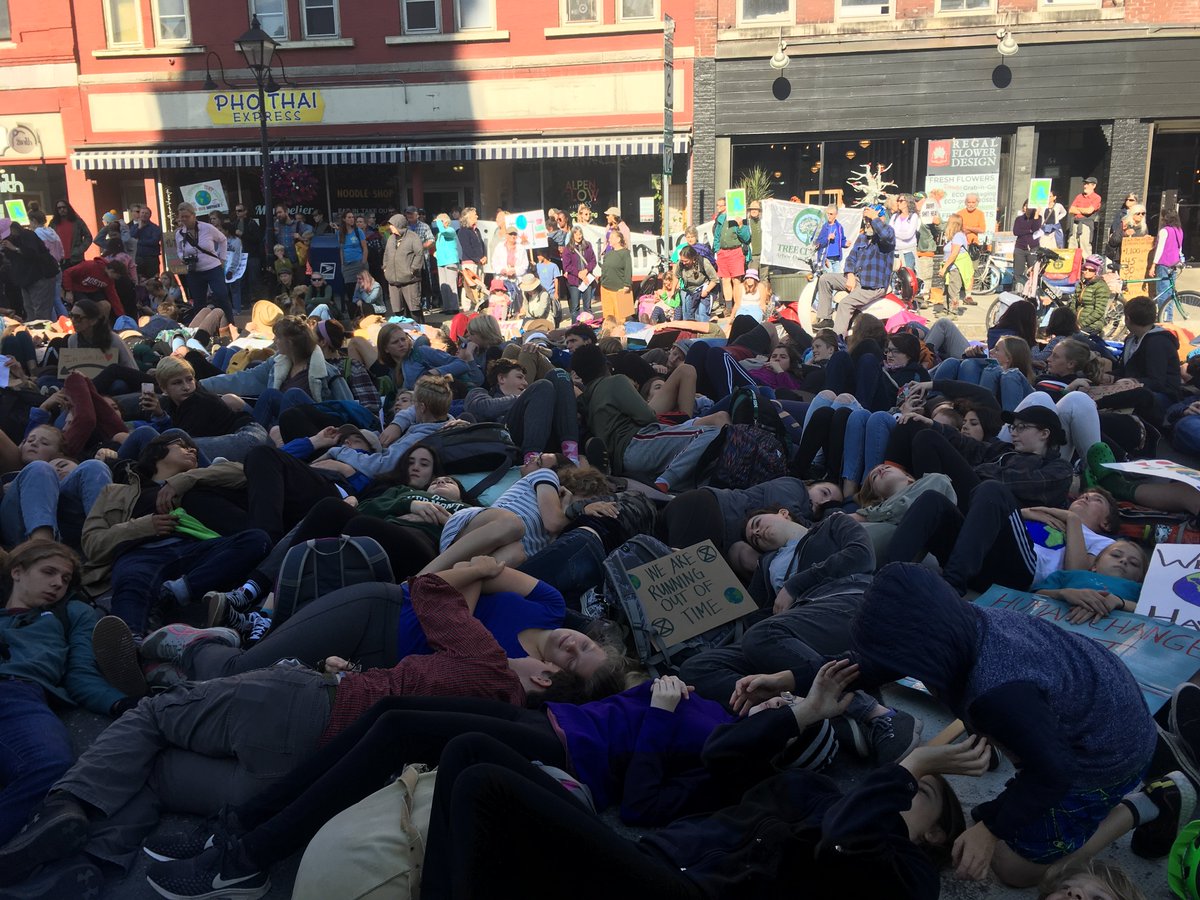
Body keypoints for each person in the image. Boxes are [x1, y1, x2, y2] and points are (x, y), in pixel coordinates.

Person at [0, 561, 590, 887]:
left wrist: (486, 568)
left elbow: (431, 587)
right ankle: (95, 858)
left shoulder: (489, 663)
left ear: (541, 682)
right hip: (305, 785)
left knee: (155, 716)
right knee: (151, 772)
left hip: (303, 707)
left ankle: (67, 807)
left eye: (551, 660)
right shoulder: (503, 734)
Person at [412, 661, 987, 900]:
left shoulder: (908, 871)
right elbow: (726, 751)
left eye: (917, 792)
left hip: (696, 893)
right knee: (468, 752)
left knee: (486, 781)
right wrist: (804, 710)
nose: (895, 785)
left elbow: (840, 844)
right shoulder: (809, 790)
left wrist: (913, 767)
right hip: (649, 859)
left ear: (934, 835)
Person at [851, 563, 1156, 887]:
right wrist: (800, 684)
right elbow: (869, 666)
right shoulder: (959, 625)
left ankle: (1144, 806)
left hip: (1106, 758)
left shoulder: (996, 695)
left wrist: (990, 829)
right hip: (1100, 708)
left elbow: (1055, 772)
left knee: (1012, 868)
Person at [0, 540, 135, 895]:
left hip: (18, 693)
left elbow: (79, 674)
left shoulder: (67, 614)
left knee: (48, 763)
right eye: (49, 572)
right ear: (17, 572)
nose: (58, 583)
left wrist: (122, 705)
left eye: (65, 577)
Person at [79, 434, 272, 639]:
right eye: (182, 446)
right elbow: (92, 544)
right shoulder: (114, 492)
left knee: (257, 540)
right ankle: (129, 645)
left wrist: (187, 479)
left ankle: (173, 594)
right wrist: (144, 526)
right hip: (141, 552)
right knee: (132, 579)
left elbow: (247, 474)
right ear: (157, 452)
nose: (193, 450)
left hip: (196, 548)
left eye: (194, 449)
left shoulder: (202, 479)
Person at [574, 344, 728, 493]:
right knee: (714, 433)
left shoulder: (585, 399)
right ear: (605, 364)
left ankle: (673, 485)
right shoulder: (614, 382)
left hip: (624, 460)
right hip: (638, 442)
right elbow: (648, 417)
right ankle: (664, 482)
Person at [465, 358, 578, 463]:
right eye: (519, 377)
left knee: (558, 373)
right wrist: (523, 396)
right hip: (505, 440)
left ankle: (571, 456)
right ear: (501, 378)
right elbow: (484, 408)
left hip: (544, 438)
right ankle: (531, 460)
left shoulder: (533, 396)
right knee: (543, 385)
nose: (525, 383)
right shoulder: (479, 392)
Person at [814, 206, 896, 334]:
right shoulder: (862, 237)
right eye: (866, 220)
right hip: (857, 279)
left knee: (845, 304)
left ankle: (838, 341)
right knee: (825, 279)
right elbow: (851, 258)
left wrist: (874, 217)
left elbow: (886, 235)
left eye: (870, 220)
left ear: (881, 219)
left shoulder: (888, 235)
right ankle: (826, 318)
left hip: (873, 285)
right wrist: (850, 275)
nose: (868, 223)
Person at [174, 201, 233, 329]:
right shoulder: (179, 234)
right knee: (199, 302)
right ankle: (201, 329)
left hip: (213, 268)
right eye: (181, 217)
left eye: (186, 216)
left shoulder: (207, 228)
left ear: (193, 215)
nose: (184, 219)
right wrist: (182, 257)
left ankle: (230, 324)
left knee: (221, 295)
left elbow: (223, 240)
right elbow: (178, 250)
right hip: (194, 270)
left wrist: (222, 259)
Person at [0, 219, 58, 322]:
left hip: (40, 277)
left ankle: (43, 336)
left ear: (13, 228)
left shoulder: (27, 235)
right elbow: (11, 261)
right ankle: (33, 334)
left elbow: (33, 254)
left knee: (41, 312)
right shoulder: (9, 242)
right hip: (25, 280)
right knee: (29, 310)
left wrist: (14, 248)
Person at [382, 213, 427, 321]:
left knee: (414, 309)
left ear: (398, 224)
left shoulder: (412, 237)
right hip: (393, 280)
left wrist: (413, 270)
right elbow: (386, 254)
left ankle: (419, 330)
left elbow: (419, 253)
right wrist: (385, 268)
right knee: (397, 310)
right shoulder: (391, 238)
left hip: (410, 280)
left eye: (392, 225)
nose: (390, 227)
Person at [1152, 208, 1185, 322]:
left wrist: (1153, 265)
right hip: (1174, 264)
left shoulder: (1164, 231)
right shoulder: (1179, 230)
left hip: (1164, 263)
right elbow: (1179, 248)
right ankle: (1168, 318)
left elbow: (1159, 250)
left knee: (1162, 291)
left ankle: (1162, 318)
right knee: (1170, 292)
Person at [674, 245, 719, 322]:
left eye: (686, 261)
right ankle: (690, 333)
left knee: (701, 312)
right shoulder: (681, 264)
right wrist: (672, 290)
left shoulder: (703, 262)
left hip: (705, 290)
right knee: (688, 314)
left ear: (693, 258)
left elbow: (715, 280)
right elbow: (676, 276)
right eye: (682, 261)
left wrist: (706, 291)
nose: (684, 263)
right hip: (690, 291)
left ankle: (704, 331)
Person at [561, 224, 598, 319]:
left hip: (587, 279)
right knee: (575, 308)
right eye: (576, 234)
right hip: (574, 281)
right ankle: (575, 329)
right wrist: (578, 273)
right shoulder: (568, 249)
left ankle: (589, 328)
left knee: (588, 307)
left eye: (580, 233)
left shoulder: (588, 245)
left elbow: (593, 260)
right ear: (572, 235)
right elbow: (566, 266)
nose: (579, 236)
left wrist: (586, 270)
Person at [938, 213, 972, 316]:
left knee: (953, 290)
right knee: (947, 290)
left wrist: (944, 268)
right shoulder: (953, 237)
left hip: (955, 268)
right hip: (950, 267)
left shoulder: (958, 236)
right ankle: (946, 309)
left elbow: (954, 254)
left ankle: (953, 311)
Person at [599, 229, 633, 322]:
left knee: (621, 317)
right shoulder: (608, 254)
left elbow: (628, 269)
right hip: (605, 287)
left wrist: (627, 285)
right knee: (608, 316)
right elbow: (604, 269)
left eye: (611, 238)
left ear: (618, 239)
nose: (609, 240)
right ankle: (608, 332)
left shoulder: (625, 253)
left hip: (620, 289)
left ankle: (619, 334)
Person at [337, 209, 368, 310]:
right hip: (347, 266)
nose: (351, 219)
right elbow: (341, 250)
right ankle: (354, 316)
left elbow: (365, 248)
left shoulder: (358, 231)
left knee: (362, 291)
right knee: (350, 292)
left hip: (359, 264)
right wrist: (342, 265)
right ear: (344, 219)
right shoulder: (340, 233)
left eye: (352, 217)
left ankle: (364, 313)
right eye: (349, 217)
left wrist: (363, 262)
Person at [48, 200, 92, 270]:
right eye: (59, 208)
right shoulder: (53, 223)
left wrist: (80, 250)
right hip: (60, 261)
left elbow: (88, 237)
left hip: (76, 259)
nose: (62, 209)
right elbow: (49, 239)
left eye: (64, 207)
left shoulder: (77, 221)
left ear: (68, 208)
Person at [1075, 254, 1113, 335]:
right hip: (1078, 323)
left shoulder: (1101, 287)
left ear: (1097, 271)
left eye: (1090, 270)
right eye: (1085, 269)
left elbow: (1099, 311)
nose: (1086, 272)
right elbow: (1074, 303)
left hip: (1092, 325)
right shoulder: (1082, 284)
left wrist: (1081, 325)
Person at [1068, 177, 1103, 256]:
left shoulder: (1096, 197)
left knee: (1085, 247)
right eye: (1085, 184)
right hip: (1075, 224)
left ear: (1093, 186)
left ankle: (1087, 267)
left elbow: (1089, 211)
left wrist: (1077, 209)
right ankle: (1073, 267)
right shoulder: (1079, 196)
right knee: (1072, 246)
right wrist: (1083, 210)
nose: (1085, 186)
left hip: (1086, 225)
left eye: (1087, 184)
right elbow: (1071, 210)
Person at [1011, 202, 1042, 292]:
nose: (1027, 208)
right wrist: (1029, 230)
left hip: (1033, 248)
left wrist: (1036, 214)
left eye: (1030, 206)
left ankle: (1033, 290)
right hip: (1020, 247)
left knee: (1033, 271)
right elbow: (1016, 232)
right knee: (1018, 272)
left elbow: (1036, 229)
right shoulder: (1019, 219)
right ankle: (1018, 290)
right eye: (1026, 206)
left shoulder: (1037, 218)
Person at [128, 205, 163, 281]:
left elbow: (154, 241)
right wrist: (139, 228)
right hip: (138, 258)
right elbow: (131, 239)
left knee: (153, 281)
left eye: (146, 213)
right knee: (138, 282)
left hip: (151, 259)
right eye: (142, 213)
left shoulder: (155, 228)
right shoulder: (134, 227)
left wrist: (138, 242)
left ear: (150, 215)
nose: (144, 215)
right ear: (139, 214)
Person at [891, 195, 921, 271]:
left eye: (901, 201)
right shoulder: (894, 217)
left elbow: (908, 235)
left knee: (907, 277)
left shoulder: (914, 216)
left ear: (907, 203)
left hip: (908, 252)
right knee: (894, 278)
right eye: (897, 201)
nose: (898, 203)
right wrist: (898, 233)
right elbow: (889, 232)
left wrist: (894, 233)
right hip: (895, 252)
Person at [815, 204, 848, 272]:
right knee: (830, 279)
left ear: (836, 215)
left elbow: (842, 240)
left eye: (831, 214)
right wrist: (827, 238)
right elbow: (816, 242)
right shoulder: (822, 227)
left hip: (836, 259)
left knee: (837, 280)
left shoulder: (839, 227)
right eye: (827, 214)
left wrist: (845, 244)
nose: (829, 216)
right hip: (826, 258)